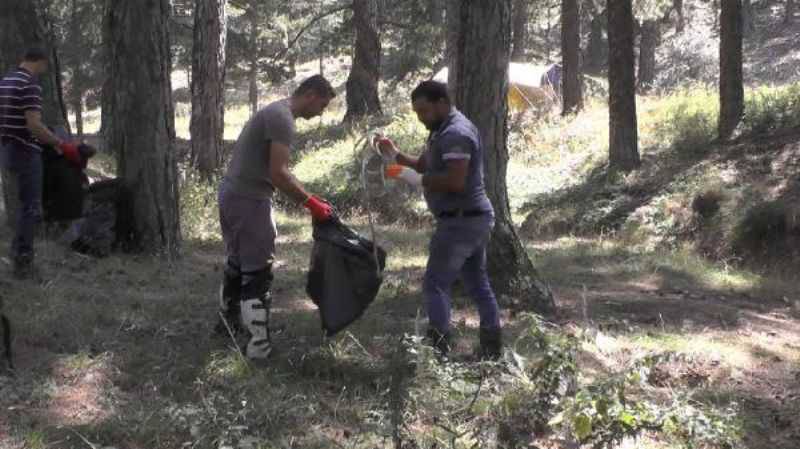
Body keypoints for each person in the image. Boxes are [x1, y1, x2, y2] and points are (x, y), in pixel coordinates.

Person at [376, 80, 503, 359]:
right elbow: (425, 164)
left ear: (442, 103)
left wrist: (413, 179)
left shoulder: (456, 133)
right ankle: (492, 347)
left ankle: (439, 352)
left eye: (424, 111)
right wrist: (395, 155)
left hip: (462, 221)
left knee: (435, 283)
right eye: (417, 112)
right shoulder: (442, 130)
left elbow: (455, 181)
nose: (421, 118)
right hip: (472, 218)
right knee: (477, 281)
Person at [217, 75, 336, 360]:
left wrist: (313, 200)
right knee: (258, 269)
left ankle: (227, 326)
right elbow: (278, 173)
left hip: (232, 193)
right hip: (249, 199)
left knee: (237, 262)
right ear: (309, 95)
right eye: (322, 104)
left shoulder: (275, 111)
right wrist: (312, 205)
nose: (321, 112)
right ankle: (258, 346)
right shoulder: (282, 118)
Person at [0, 47, 81, 279]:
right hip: (25, 152)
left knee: (25, 204)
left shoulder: (6, 81)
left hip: (7, 151)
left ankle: (19, 253)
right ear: (41, 63)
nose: (44, 71)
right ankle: (23, 263)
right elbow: (34, 125)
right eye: (45, 67)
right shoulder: (30, 84)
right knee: (31, 208)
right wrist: (60, 144)